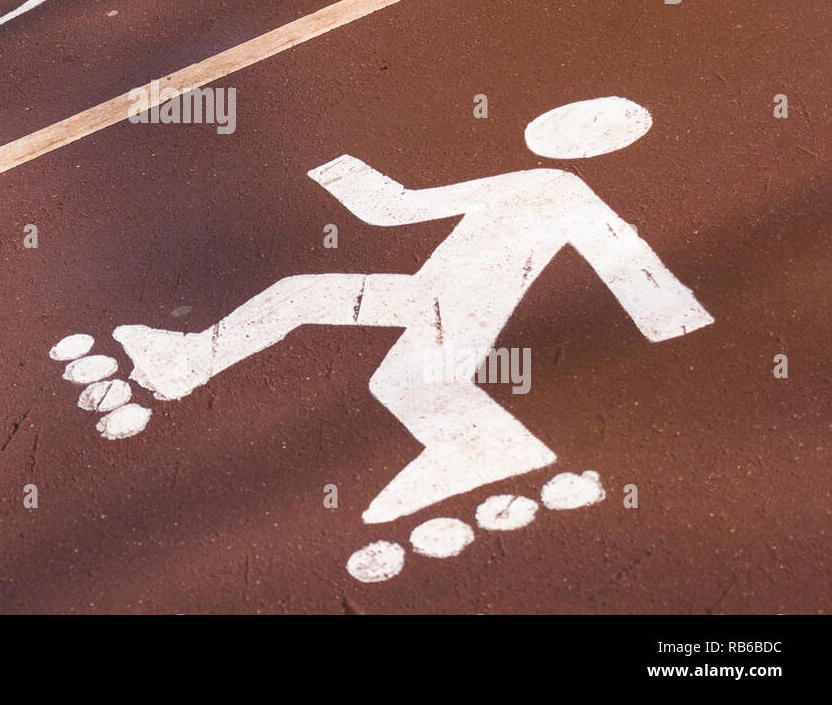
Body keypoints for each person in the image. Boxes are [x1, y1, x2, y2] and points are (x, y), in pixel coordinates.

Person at [110, 97, 713, 522]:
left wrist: (671, 321)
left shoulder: (555, 187)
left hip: (465, 303)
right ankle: (189, 360)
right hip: (436, 292)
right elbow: (396, 207)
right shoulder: (538, 182)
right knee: (321, 312)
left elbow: (619, 251)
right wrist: (336, 167)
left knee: (381, 361)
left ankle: (489, 449)